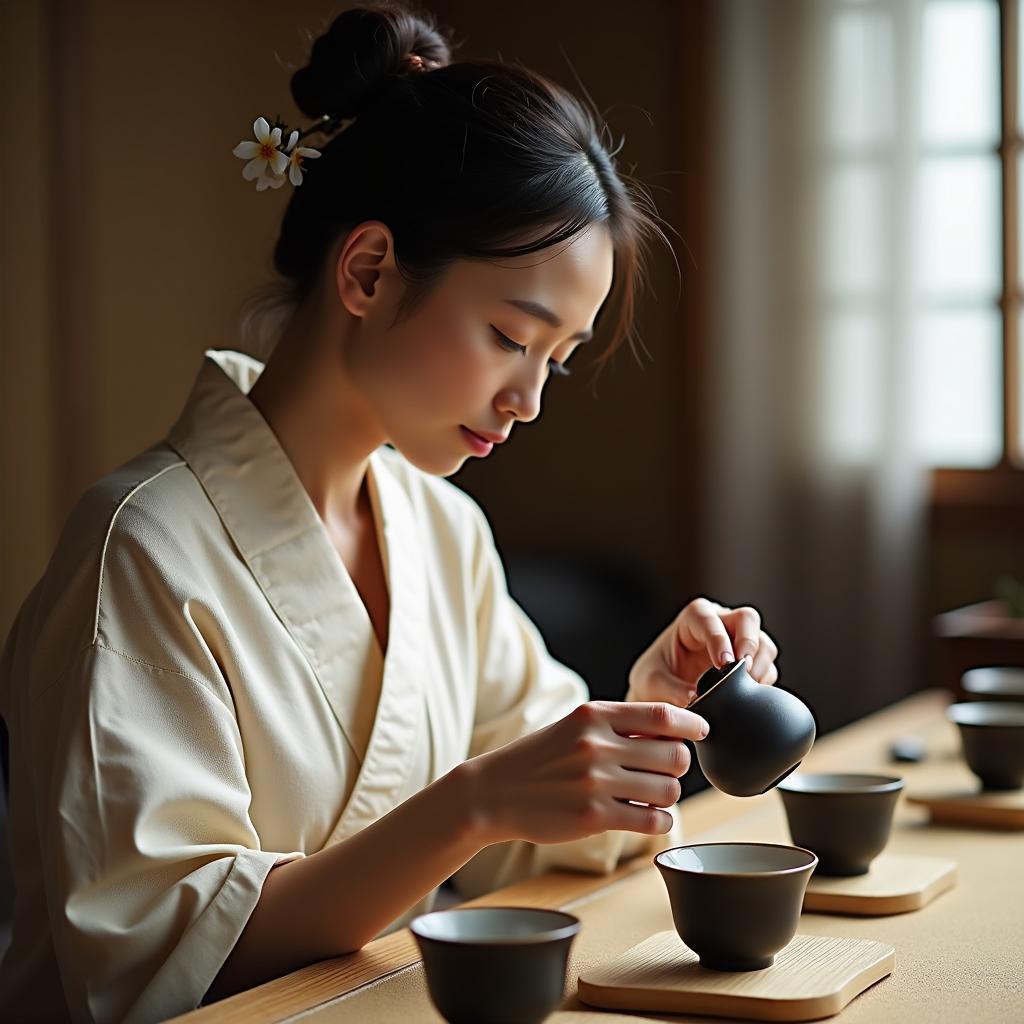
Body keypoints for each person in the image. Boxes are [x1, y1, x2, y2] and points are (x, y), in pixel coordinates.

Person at [0, 3, 779, 1021]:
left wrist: (646, 716)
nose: (528, 399)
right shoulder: (139, 550)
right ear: (367, 271)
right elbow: (158, 955)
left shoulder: (439, 530)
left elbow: (544, 815)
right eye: (511, 335)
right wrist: (474, 803)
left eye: (557, 360)